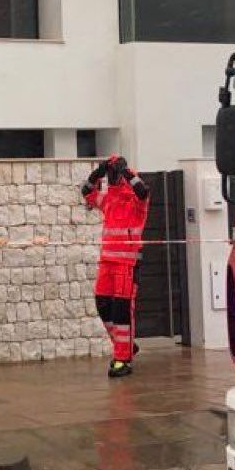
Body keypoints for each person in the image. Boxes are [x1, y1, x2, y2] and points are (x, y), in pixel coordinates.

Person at [81, 155, 150, 378]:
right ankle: (127, 346)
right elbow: (87, 192)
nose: (112, 177)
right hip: (107, 262)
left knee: (121, 312)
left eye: (113, 173)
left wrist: (127, 172)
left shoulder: (136, 202)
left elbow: (142, 191)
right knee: (102, 306)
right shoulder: (109, 199)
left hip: (126, 264)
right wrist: (97, 173)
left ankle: (123, 359)